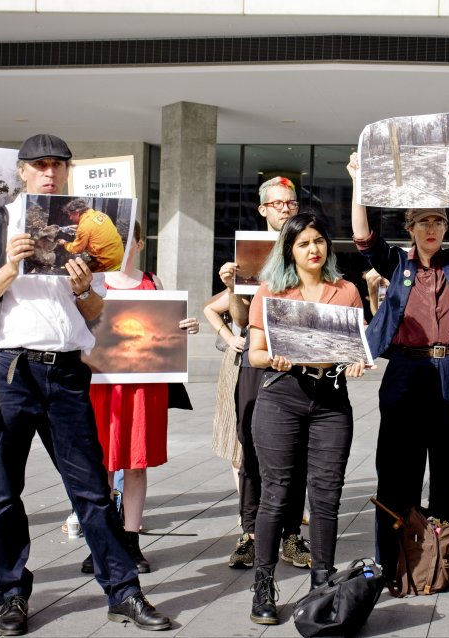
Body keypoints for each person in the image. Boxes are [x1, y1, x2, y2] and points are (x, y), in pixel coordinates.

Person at [0, 133, 170, 635]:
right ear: (23, 171)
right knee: (3, 491)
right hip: (10, 369)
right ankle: (11, 595)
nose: (49, 172)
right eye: (40, 164)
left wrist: (81, 289)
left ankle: (124, 592)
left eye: (58, 165)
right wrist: (11, 265)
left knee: (92, 490)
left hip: (68, 371)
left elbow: (98, 315)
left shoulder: (88, 228)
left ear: (68, 172)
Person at [348, 141, 449, 590]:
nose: (431, 228)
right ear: (410, 228)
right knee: (397, 471)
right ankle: (391, 563)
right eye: (422, 222)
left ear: (445, 225)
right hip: (406, 374)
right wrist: (359, 183)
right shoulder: (395, 264)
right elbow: (363, 237)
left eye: (437, 220)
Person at [246, 212, 366, 625]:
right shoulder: (271, 292)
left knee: (327, 495)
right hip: (282, 396)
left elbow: (356, 347)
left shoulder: (346, 290)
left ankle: (322, 585)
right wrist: (275, 358)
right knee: (277, 493)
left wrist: (356, 361)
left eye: (318, 241)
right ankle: (264, 584)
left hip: (331, 400)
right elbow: (254, 353)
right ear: (289, 250)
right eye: (303, 243)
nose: (313, 249)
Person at [82, 222, 200, 574]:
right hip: (102, 384)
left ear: (138, 243)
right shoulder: (92, 283)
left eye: (124, 239)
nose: (117, 246)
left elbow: (164, 332)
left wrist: (183, 328)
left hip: (144, 386)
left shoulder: (152, 282)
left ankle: (131, 541)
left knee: (136, 462)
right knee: (100, 464)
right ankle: (101, 542)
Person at [221, 176, 310, 571]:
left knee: (297, 448)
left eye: (290, 203)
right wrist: (232, 290)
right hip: (257, 359)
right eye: (277, 204)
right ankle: (251, 533)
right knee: (252, 445)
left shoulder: (309, 247)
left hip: (298, 359)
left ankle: (292, 535)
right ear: (263, 210)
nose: (286, 209)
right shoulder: (249, 253)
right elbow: (240, 321)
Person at [203, 288, 245, 496]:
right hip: (238, 363)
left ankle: (294, 506)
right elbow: (209, 308)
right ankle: (246, 508)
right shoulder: (244, 281)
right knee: (236, 439)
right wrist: (229, 338)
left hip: (275, 363)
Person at [57, 197, 125, 271]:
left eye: (70, 215)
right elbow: (94, 228)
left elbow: (76, 249)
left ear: (77, 213)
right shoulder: (99, 214)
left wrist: (64, 243)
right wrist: (77, 227)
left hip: (108, 263)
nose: (70, 218)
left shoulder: (84, 227)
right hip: (120, 257)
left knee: (77, 274)